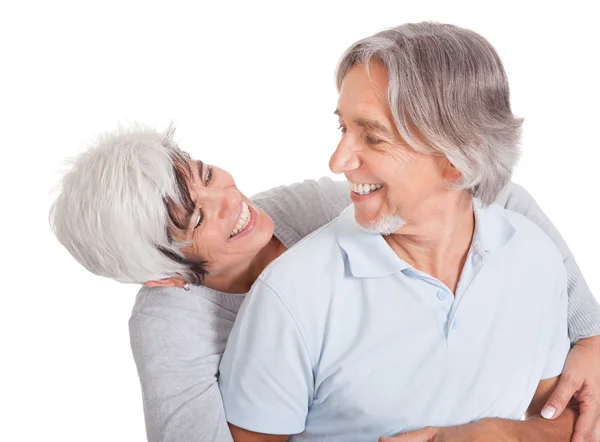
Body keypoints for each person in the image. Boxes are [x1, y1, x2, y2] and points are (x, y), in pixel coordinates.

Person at [217, 22, 600, 442]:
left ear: (456, 160)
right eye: (343, 128)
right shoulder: (292, 294)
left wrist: (492, 435)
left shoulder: (534, 258)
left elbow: (568, 419)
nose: (338, 160)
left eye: (373, 138)